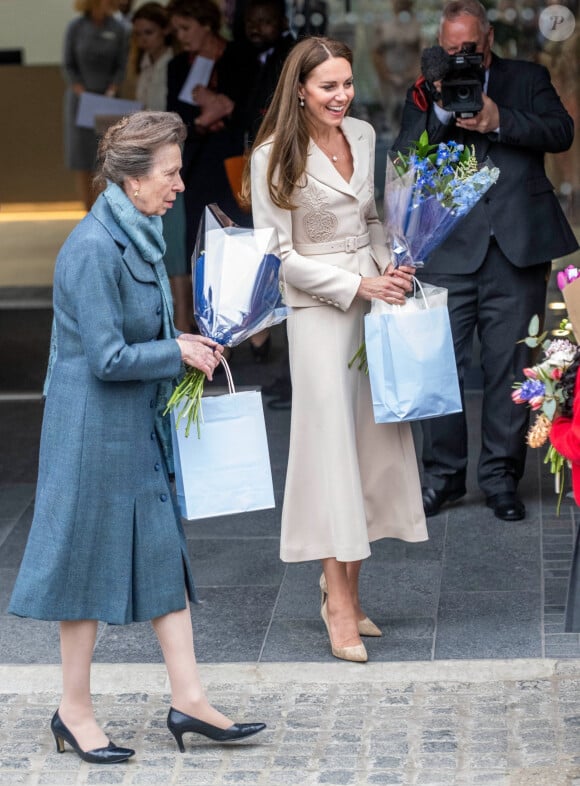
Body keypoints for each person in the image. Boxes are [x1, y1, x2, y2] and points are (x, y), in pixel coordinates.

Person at [8, 112, 266, 763]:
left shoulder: (139, 231)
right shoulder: (92, 249)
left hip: (132, 423)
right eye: (171, 173)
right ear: (131, 176)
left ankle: (190, 699)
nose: (179, 184)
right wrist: (175, 350)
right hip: (93, 431)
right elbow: (105, 358)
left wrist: (189, 340)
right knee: (84, 570)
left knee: (161, 556)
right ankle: (74, 711)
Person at [243, 36, 428, 663]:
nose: (341, 95)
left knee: (368, 445)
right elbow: (278, 256)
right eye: (328, 86)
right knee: (329, 455)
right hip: (319, 317)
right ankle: (338, 607)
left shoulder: (365, 134)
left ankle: (344, 586)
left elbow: (372, 217)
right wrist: (356, 283)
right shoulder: (271, 154)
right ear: (300, 88)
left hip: (374, 304)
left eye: (346, 84)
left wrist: (391, 269)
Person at [391, 0, 579, 522]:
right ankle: (443, 478)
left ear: (489, 38)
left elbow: (560, 132)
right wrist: (438, 113)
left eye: (468, 49)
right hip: (447, 247)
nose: (460, 58)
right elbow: (406, 155)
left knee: (510, 367)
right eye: (450, 50)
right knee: (440, 368)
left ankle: (500, 478)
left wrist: (500, 120)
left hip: (516, 247)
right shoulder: (426, 87)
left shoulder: (527, 77)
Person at [166, 0, 255, 333]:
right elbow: (175, 117)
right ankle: (209, 329)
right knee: (199, 246)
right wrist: (207, 116)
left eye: (185, 28)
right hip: (196, 164)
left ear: (207, 24)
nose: (180, 36)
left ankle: (235, 326)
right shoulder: (178, 64)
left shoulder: (238, 57)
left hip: (234, 163)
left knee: (235, 243)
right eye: (176, 30)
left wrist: (222, 109)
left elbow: (249, 108)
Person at [243, 0, 296, 364]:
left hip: (285, 162)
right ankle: (262, 337)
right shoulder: (246, 58)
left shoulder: (289, 57)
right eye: (251, 22)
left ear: (283, 22)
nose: (256, 28)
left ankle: (271, 343)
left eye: (265, 21)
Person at [63, 0, 129, 211]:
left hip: (108, 102)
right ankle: (87, 211)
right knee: (83, 159)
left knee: (106, 158)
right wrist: (81, 90)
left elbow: (121, 65)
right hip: (80, 101)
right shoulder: (76, 27)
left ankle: (105, 212)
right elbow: (68, 65)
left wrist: (111, 90)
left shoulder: (119, 28)